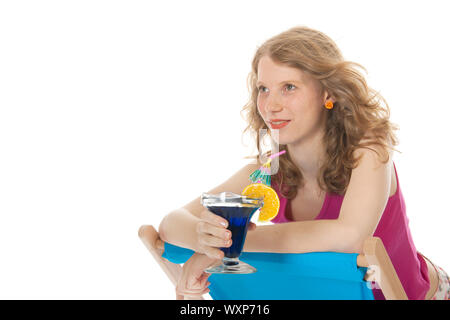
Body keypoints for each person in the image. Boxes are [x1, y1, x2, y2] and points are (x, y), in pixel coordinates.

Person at [157, 26, 449, 300]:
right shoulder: (263, 173)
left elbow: (350, 236)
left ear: (328, 93)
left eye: (289, 87)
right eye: (263, 89)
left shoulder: (368, 152)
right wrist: (205, 238)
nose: (271, 105)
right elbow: (170, 225)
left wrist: (230, 246)